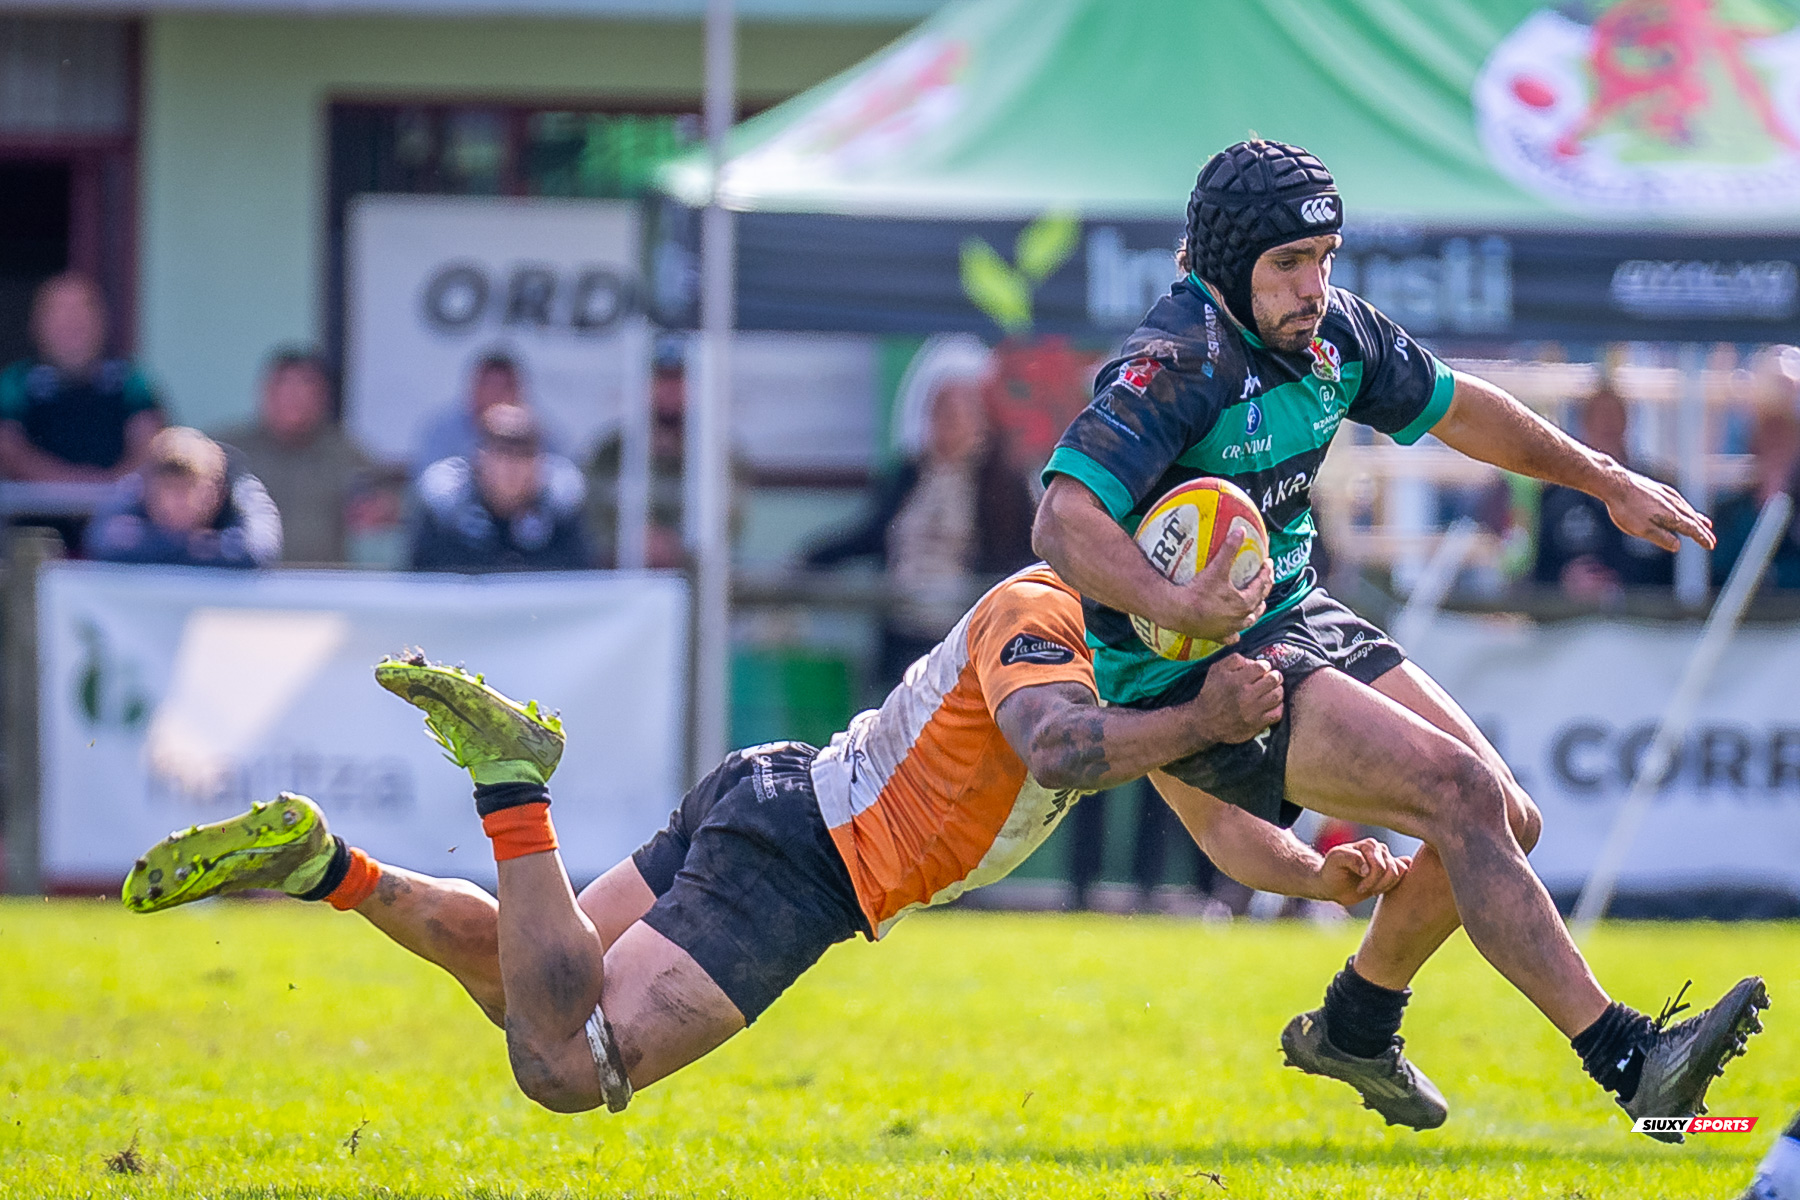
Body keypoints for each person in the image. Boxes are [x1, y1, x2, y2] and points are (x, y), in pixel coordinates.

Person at [1031, 139, 1765, 1140]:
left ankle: (1355, 1026)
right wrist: (1181, 601)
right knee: (1460, 797)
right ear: (1224, 265)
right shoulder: (1179, 361)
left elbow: (1465, 411)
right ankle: (1632, 1059)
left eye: (1325, 255)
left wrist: (1606, 477)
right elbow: (1062, 522)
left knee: (1507, 816)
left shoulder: (1336, 335)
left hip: (1293, 610)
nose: (1313, 284)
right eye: (1288, 264)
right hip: (1192, 663)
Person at [121, 562, 1410, 1115]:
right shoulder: (1043, 611)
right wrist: (1209, 708)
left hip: (781, 803)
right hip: (810, 854)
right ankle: (512, 785)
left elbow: (1215, 822)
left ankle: (320, 865)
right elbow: (1060, 753)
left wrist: (1318, 871)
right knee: (566, 1069)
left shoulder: (1130, 678)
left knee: (530, 980)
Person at [804, 335, 1037, 690]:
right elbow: (871, 534)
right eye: (943, 408)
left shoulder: (1004, 487)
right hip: (903, 640)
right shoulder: (909, 477)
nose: (953, 419)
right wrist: (811, 560)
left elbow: (1023, 560)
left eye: (963, 407)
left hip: (970, 647)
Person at [0, 272, 162, 482]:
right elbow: (8, 449)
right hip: (32, 511)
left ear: (102, 323)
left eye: (82, 314)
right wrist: (69, 484)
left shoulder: (130, 380)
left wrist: (108, 487)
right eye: (60, 315)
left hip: (115, 510)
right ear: (37, 325)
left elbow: (150, 445)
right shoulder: (15, 382)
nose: (72, 322)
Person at [219, 347, 375, 565]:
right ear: (265, 392)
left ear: (324, 397)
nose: (293, 398)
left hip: (319, 588)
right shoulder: (226, 451)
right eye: (284, 387)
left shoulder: (345, 454)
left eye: (305, 387)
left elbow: (379, 500)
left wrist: (378, 509)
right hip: (243, 587)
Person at [1533, 372, 1674, 600]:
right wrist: (1565, 580)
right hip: (1577, 626)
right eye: (1599, 417)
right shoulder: (1556, 497)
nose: (1607, 425)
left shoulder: (1656, 491)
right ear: (1584, 424)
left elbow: (1680, 576)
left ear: (1627, 421)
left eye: (1614, 416)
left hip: (1646, 627)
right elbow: (1537, 578)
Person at [409, 403, 589, 573]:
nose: (511, 467)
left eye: (524, 454)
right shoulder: (448, 511)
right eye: (501, 452)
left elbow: (578, 584)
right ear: (479, 457)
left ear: (540, 462)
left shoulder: (560, 512)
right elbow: (423, 583)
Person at [84, 426, 282, 568]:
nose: (178, 503)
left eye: (188, 490)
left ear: (216, 494)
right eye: (169, 490)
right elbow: (102, 543)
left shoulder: (240, 489)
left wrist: (157, 543)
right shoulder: (134, 488)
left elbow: (259, 551)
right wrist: (194, 544)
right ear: (148, 492)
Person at [585, 336, 702, 570]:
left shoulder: (713, 455)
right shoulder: (610, 453)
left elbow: (728, 520)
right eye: (660, 380)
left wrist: (672, 545)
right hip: (620, 577)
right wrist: (629, 540)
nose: (669, 390)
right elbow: (591, 514)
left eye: (677, 380)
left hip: (692, 579)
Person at [1711, 346, 1800, 590]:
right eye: (1769, 431)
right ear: (1753, 442)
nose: (1776, 443)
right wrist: (1764, 504)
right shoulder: (1729, 511)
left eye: (1786, 433)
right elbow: (1717, 569)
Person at [411, 351, 558, 480]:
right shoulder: (441, 431)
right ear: (472, 388)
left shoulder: (540, 432)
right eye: (488, 385)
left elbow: (561, 485)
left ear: (519, 391)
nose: (494, 395)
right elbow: (428, 486)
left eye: (503, 387)